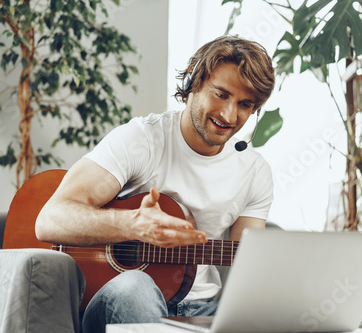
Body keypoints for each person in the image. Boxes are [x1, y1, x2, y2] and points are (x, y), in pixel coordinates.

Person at [35, 35, 276, 333]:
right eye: (221, 94)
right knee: (136, 285)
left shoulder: (254, 171)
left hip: (204, 312)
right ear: (193, 80)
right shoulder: (141, 140)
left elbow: (248, 267)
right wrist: (132, 224)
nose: (229, 115)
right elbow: (49, 220)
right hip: (120, 302)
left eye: (245, 104)